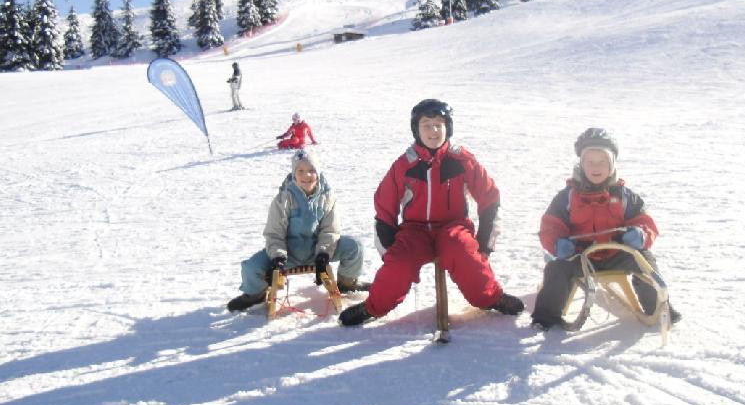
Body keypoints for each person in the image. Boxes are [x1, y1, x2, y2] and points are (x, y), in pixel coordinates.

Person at [338, 99, 524, 326]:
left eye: (439, 124)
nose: (433, 130)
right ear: (416, 130)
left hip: (453, 225)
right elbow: (384, 206)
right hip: (415, 230)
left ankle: (490, 298)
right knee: (399, 263)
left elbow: (489, 198)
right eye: (426, 125)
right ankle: (373, 306)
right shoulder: (404, 165)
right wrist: (389, 248)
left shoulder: (462, 159)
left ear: (448, 128)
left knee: (463, 250)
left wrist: (484, 242)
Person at [530, 128, 681, 329]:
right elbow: (550, 225)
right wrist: (558, 244)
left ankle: (659, 307)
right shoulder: (567, 197)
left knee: (645, 261)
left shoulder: (625, 197)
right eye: (590, 161)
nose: (596, 167)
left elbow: (645, 221)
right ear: (581, 164)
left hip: (617, 253)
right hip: (580, 256)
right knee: (557, 269)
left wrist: (640, 235)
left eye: (602, 161)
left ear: (611, 164)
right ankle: (545, 318)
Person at [227, 148, 366, 312]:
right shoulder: (283, 199)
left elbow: (330, 231)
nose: (307, 176)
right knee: (251, 267)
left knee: (354, 246)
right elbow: (274, 233)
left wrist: (323, 255)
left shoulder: (327, 197)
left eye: (311, 170)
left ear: (318, 172)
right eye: (301, 171)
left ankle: (347, 283)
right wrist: (278, 257)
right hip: (288, 255)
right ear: (294, 173)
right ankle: (255, 294)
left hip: (317, 252)